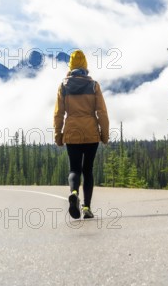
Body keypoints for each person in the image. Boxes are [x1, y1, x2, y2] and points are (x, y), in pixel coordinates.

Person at [54, 50, 109, 219]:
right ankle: (86, 208)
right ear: (85, 65)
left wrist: (58, 134)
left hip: (72, 133)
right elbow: (102, 113)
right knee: (88, 170)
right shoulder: (94, 85)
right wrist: (104, 134)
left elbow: (58, 113)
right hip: (91, 134)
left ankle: (74, 192)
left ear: (71, 66)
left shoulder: (64, 86)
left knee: (74, 169)